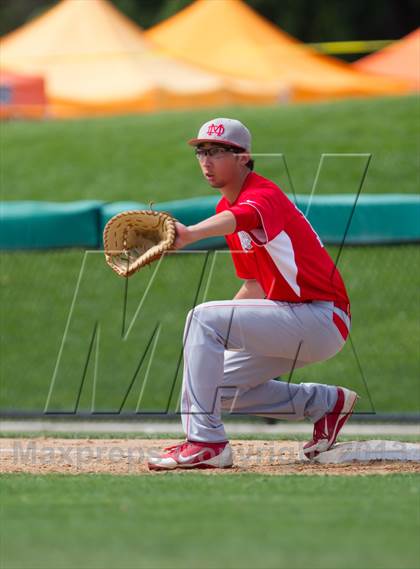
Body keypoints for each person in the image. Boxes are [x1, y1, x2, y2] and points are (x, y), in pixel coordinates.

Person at [148, 118, 358, 471]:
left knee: (202, 317)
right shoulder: (225, 210)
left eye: (217, 151)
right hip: (291, 317)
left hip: (322, 316)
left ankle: (206, 444)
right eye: (202, 151)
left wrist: (191, 234)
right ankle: (325, 403)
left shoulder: (264, 195)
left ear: (243, 157)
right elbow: (254, 286)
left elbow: (243, 217)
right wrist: (216, 344)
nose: (206, 160)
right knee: (217, 385)